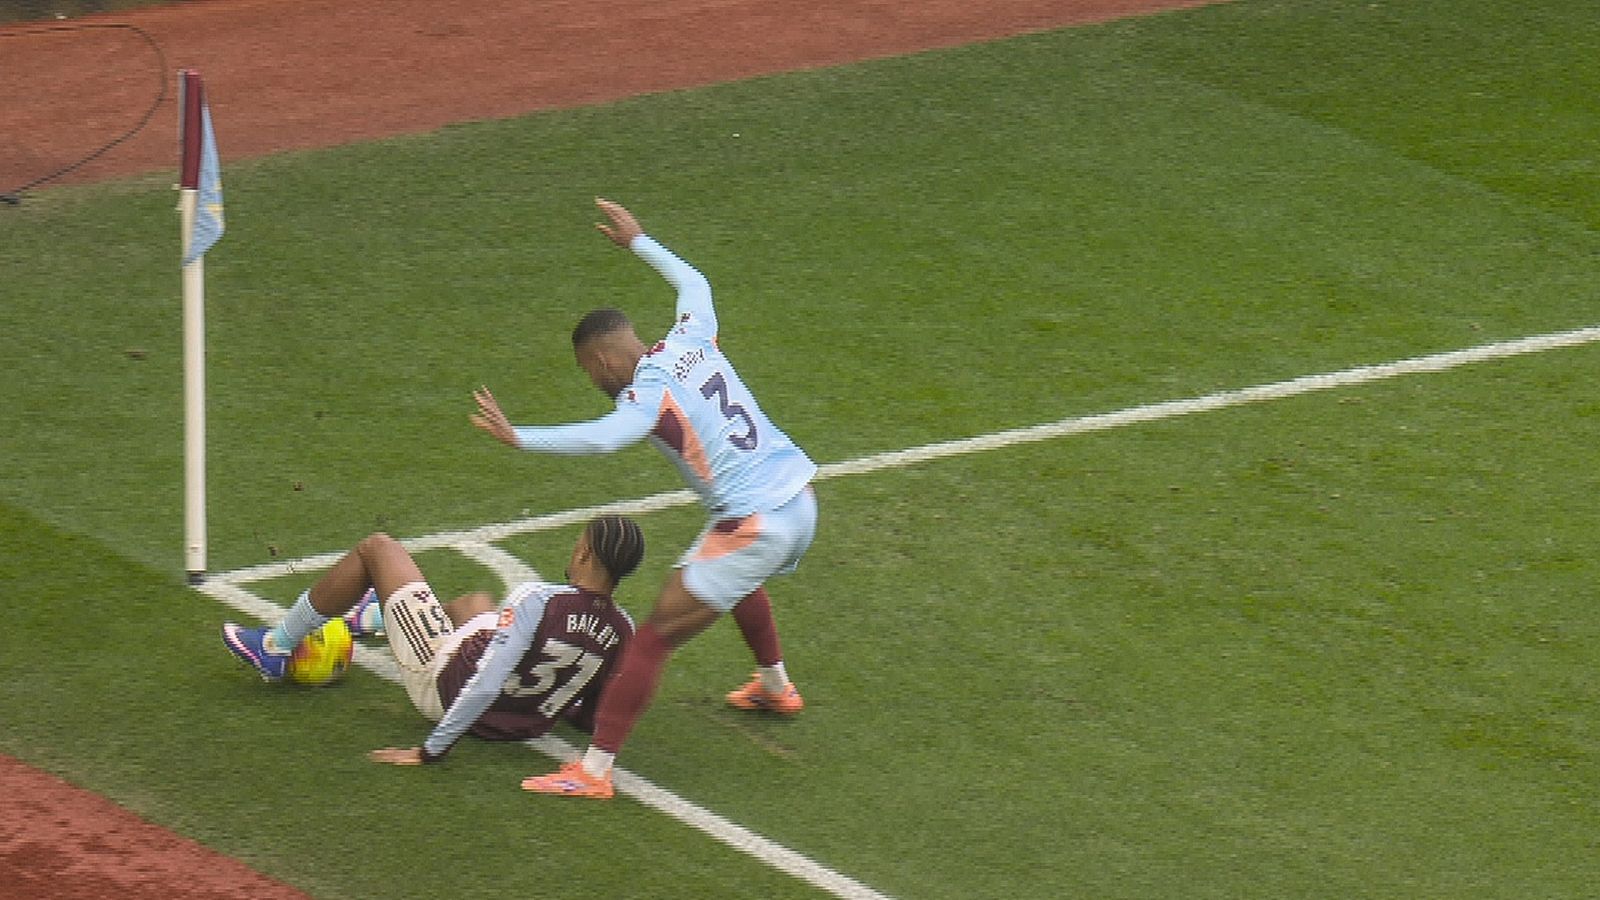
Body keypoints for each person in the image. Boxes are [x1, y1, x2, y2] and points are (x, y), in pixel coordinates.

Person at [471, 198, 817, 799]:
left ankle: (593, 772)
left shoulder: (646, 396)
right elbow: (695, 283)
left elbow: (607, 438)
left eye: (589, 373)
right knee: (734, 579)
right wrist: (639, 241)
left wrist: (520, 438)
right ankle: (774, 685)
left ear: (604, 359)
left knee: (653, 636)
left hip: (754, 521)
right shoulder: (693, 336)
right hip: (802, 500)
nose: (594, 383)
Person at [221, 516, 644, 766]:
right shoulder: (623, 629)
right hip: (521, 722)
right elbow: (592, 716)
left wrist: (430, 751)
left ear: (586, 555)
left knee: (378, 549)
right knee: (476, 605)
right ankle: (380, 616)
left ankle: (275, 648)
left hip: (442, 681)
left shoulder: (538, 601)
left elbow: (485, 682)